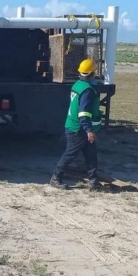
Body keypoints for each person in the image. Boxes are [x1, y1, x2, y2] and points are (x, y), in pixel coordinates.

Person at [50, 58, 104, 191]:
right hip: (78, 128)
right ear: (92, 74)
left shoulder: (77, 85)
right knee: (70, 153)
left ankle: (93, 181)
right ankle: (56, 177)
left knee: (91, 154)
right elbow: (83, 113)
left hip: (76, 126)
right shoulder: (88, 91)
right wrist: (89, 130)